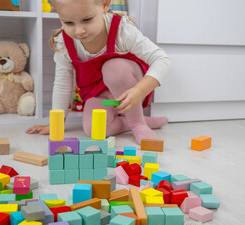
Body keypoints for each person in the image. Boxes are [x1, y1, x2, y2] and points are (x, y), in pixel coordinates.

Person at [27, 0, 171, 144]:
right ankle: (130, 121)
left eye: (87, 20)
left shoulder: (122, 30)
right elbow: (62, 83)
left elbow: (162, 60)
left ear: (104, 5)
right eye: (69, 23)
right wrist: (56, 125)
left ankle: (138, 123)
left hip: (129, 85)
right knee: (93, 129)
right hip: (99, 94)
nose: (79, 31)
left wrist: (139, 91)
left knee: (113, 69)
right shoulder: (64, 42)